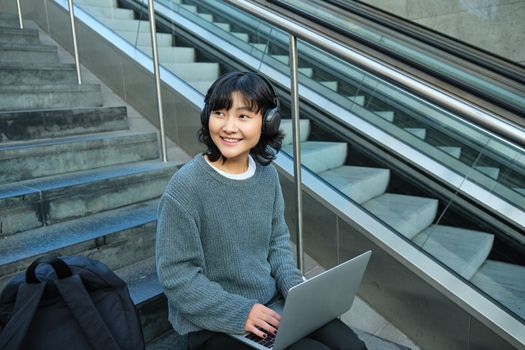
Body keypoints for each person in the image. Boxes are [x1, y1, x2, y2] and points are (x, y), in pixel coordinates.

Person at [156, 71, 367, 350]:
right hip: (213, 323)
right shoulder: (185, 187)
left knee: (352, 347)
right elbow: (177, 276)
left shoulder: (266, 175)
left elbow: (277, 242)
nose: (229, 127)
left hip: (272, 305)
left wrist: (296, 290)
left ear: (267, 122)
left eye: (243, 116)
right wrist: (242, 312)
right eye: (219, 113)